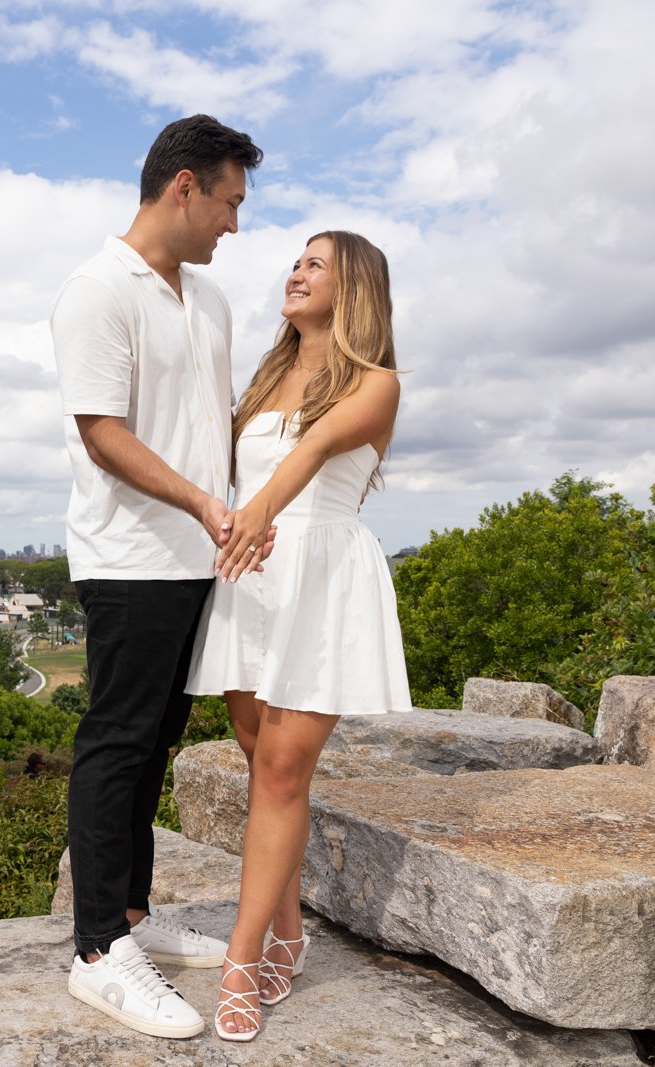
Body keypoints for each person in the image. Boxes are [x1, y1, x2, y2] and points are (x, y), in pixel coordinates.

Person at [52, 113, 266, 1040]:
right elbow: (103, 434)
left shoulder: (209, 299)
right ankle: (99, 950)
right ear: (185, 186)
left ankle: (133, 916)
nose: (234, 224)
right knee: (117, 740)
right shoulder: (97, 291)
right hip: (131, 556)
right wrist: (201, 501)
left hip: (198, 557)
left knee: (155, 742)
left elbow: (216, 421)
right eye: (229, 202)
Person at [185, 230, 411, 1042]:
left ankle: (242, 959)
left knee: (283, 768)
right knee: (260, 761)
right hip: (253, 577)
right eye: (296, 261)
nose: (296, 272)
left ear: (353, 287)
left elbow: (314, 447)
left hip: (319, 575)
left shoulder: (377, 383)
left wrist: (256, 514)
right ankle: (287, 931)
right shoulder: (264, 377)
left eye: (316, 264)